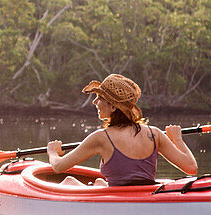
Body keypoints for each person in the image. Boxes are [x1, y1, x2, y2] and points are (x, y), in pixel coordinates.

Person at [46, 74, 198, 187]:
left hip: (118, 200)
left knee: (68, 181)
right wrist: (178, 140)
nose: (95, 102)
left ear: (113, 107)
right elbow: (191, 168)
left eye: (99, 97)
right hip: (145, 197)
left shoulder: (101, 138)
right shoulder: (154, 134)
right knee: (99, 182)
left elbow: (58, 166)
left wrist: (52, 152)